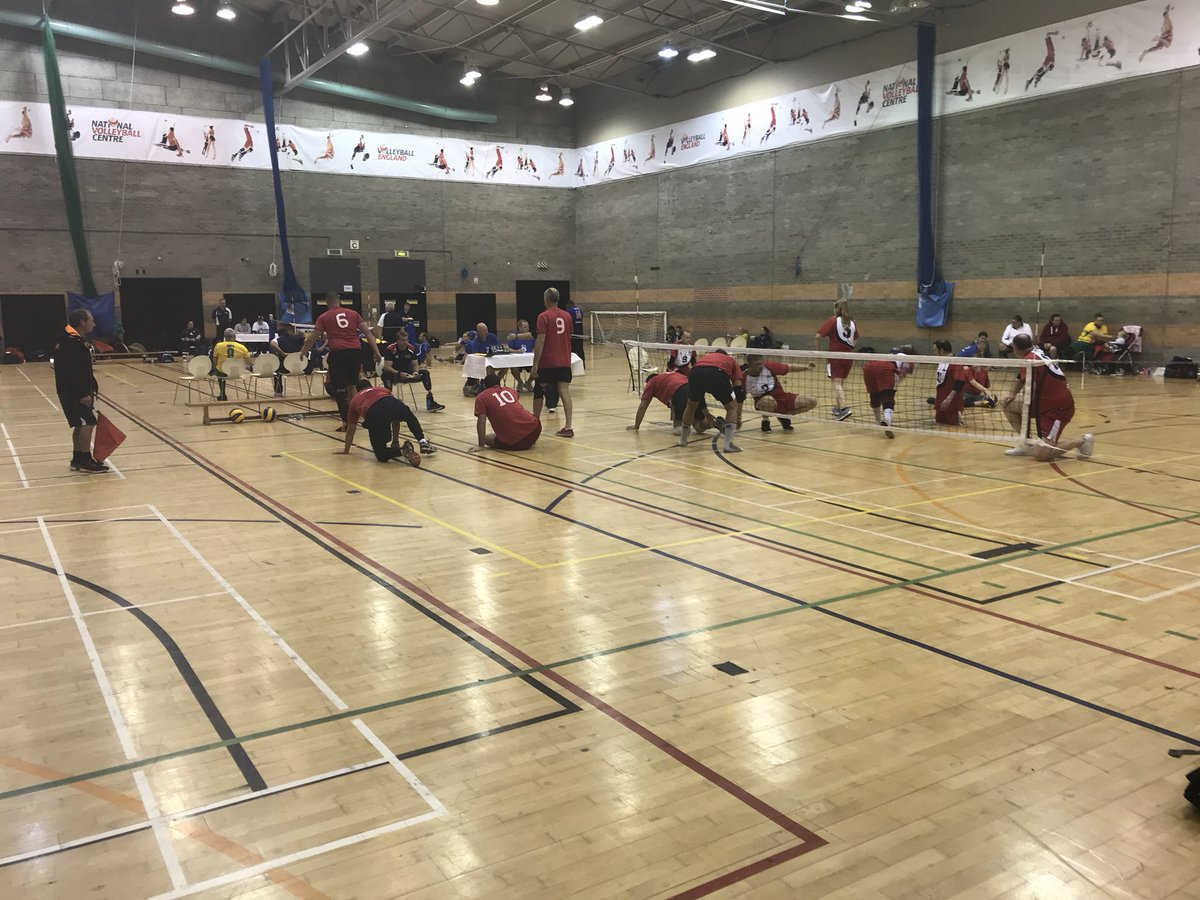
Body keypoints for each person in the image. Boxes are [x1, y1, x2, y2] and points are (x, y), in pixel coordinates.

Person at [1001, 334, 1093, 460]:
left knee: (1042, 455)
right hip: (1043, 404)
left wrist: (1023, 403)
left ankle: (1082, 441)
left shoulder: (1031, 360)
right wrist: (1012, 394)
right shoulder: (1033, 354)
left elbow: (1031, 391)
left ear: (1016, 348)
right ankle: (1025, 444)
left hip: (1057, 411)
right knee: (1007, 404)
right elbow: (1020, 378)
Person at [300, 294, 380, 430]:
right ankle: (355, 418)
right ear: (339, 302)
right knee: (352, 386)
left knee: (340, 389)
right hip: (355, 351)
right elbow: (367, 333)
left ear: (327, 303)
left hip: (338, 352)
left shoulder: (324, 317)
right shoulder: (353, 313)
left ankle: (346, 422)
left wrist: (303, 351)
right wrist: (376, 351)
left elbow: (313, 337)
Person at [54, 310, 108, 473]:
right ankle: (86, 460)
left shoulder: (74, 340)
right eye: (91, 320)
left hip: (74, 391)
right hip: (75, 393)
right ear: (82, 322)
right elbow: (73, 371)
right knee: (88, 422)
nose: (94, 323)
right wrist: (83, 393)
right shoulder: (70, 342)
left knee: (80, 423)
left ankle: (77, 459)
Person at [339, 379, 432, 465]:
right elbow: (395, 419)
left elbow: (351, 429)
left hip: (374, 412)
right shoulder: (381, 389)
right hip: (390, 401)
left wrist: (346, 450)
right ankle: (422, 441)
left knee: (381, 454)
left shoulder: (355, 400)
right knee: (409, 417)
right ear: (371, 386)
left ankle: (401, 451)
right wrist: (395, 441)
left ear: (358, 390)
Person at [531, 287, 576, 438]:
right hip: (564, 361)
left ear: (546, 300)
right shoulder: (567, 316)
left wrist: (535, 363)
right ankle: (568, 426)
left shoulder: (543, 316)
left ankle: (534, 425)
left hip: (548, 362)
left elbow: (541, 340)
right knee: (564, 392)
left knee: (538, 390)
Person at [679, 348, 744, 451]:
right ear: (726, 355)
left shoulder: (706, 357)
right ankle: (728, 445)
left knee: (690, 406)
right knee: (732, 408)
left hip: (695, 372)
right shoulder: (731, 360)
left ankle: (683, 440)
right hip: (716, 373)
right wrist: (738, 416)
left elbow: (700, 396)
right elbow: (738, 388)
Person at [469, 372, 542, 453]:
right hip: (535, 429)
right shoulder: (510, 390)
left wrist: (481, 445)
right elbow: (517, 396)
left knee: (487, 438)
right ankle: (530, 440)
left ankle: (520, 438)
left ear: (485, 386)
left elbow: (481, 422)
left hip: (517, 442)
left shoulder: (482, 397)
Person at [743, 355, 816, 433]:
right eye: (757, 364)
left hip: (782, 398)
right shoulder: (745, 378)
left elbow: (789, 367)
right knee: (768, 400)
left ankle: (784, 415)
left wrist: (807, 367)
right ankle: (765, 420)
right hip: (764, 403)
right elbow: (740, 398)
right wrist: (738, 417)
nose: (760, 366)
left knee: (811, 401)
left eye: (761, 363)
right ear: (750, 364)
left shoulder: (768, 367)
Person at [628, 370, 713, 435]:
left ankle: (685, 430)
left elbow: (643, 405)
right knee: (699, 427)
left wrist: (636, 425)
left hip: (679, 394)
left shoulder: (651, 382)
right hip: (695, 389)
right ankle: (719, 423)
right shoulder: (672, 374)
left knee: (678, 430)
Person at [933, 339, 994, 426]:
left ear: (941, 350)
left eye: (935, 350)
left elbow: (959, 382)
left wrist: (948, 399)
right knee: (939, 425)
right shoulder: (942, 362)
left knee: (954, 429)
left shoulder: (955, 363)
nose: (934, 353)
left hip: (952, 405)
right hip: (941, 403)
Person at [815, 298, 857, 420]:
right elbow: (856, 338)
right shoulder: (852, 322)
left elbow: (818, 336)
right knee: (840, 383)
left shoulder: (833, 320)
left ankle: (843, 408)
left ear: (836, 309)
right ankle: (839, 409)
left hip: (836, 356)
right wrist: (849, 347)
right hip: (849, 356)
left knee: (836, 383)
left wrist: (818, 351)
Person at [861, 347, 914, 438]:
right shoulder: (906, 357)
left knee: (874, 395)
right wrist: (898, 379)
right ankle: (887, 420)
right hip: (886, 368)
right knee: (888, 397)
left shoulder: (888, 356)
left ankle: (878, 421)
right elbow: (904, 370)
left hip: (869, 366)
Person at [382, 337, 445, 411]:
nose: (404, 342)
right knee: (386, 375)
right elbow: (387, 367)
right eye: (402, 340)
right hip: (394, 374)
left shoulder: (411, 348)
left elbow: (415, 364)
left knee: (425, 373)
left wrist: (416, 372)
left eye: (406, 340)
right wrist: (398, 373)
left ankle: (430, 402)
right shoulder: (391, 349)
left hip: (407, 373)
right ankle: (388, 404)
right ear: (397, 340)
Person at [211, 327, 251, 401]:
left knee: (218, 371)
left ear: (225, 337)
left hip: (222, 372)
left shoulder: (218, 346)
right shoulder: (242, 347)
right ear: (235, 336)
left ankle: (222, 394)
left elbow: (214, 358)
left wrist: (215, 367)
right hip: (237, 372)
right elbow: (249, 361)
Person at [269, 322, 306, 395]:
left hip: (284, 368)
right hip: (300, 367)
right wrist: (302, 351)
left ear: (279, 334)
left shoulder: (278, 340)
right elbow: (307, 340)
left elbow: (272, 344)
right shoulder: (297, 338)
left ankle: (278, 392)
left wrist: (283, 354)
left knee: (277, 371)